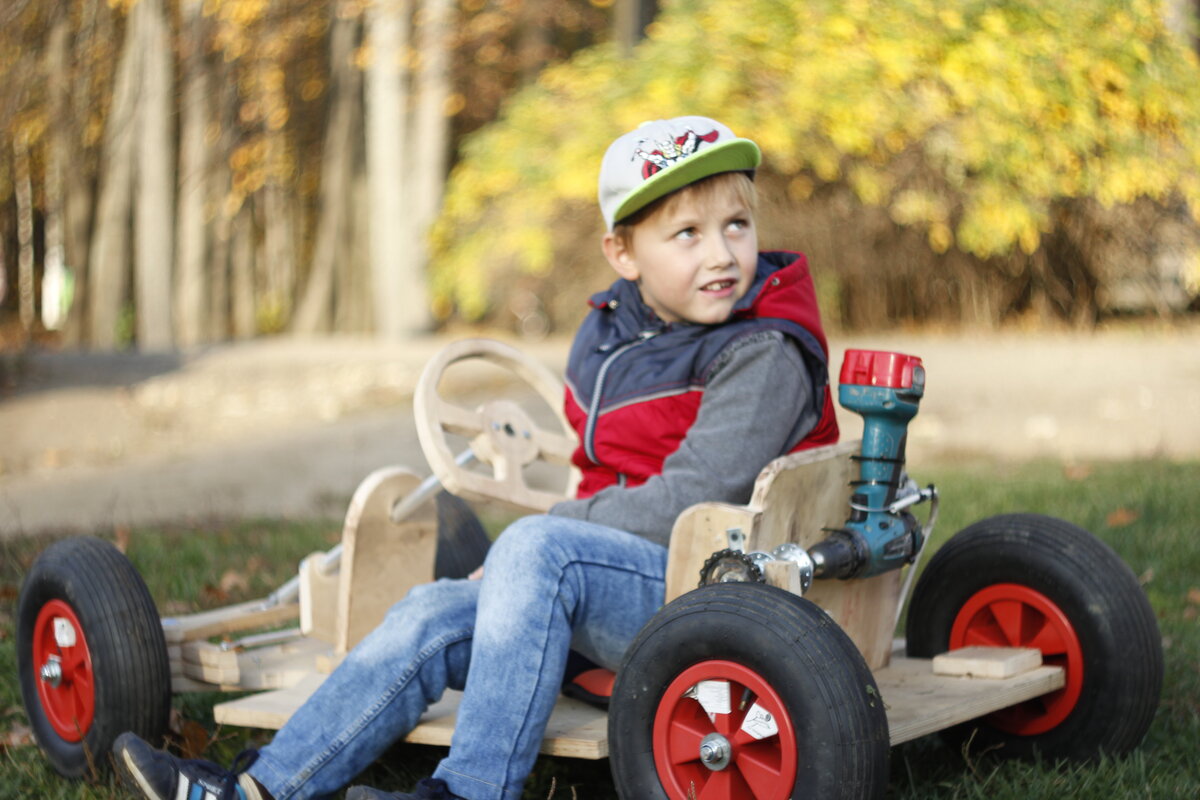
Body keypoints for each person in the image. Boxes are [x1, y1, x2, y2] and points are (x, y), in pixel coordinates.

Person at [113, 115, 839, 800]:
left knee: (536, 546)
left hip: (721, 589)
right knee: (433, 610)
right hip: (638, 577)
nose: (721, 253)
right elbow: (607, 458)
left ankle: (471, 788)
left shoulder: (762, 352)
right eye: (687, 233)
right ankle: (256, 788)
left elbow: (695, 496)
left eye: (736, 225)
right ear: (624, 254)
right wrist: (543, 541)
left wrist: (551, 537)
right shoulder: (620, 331)